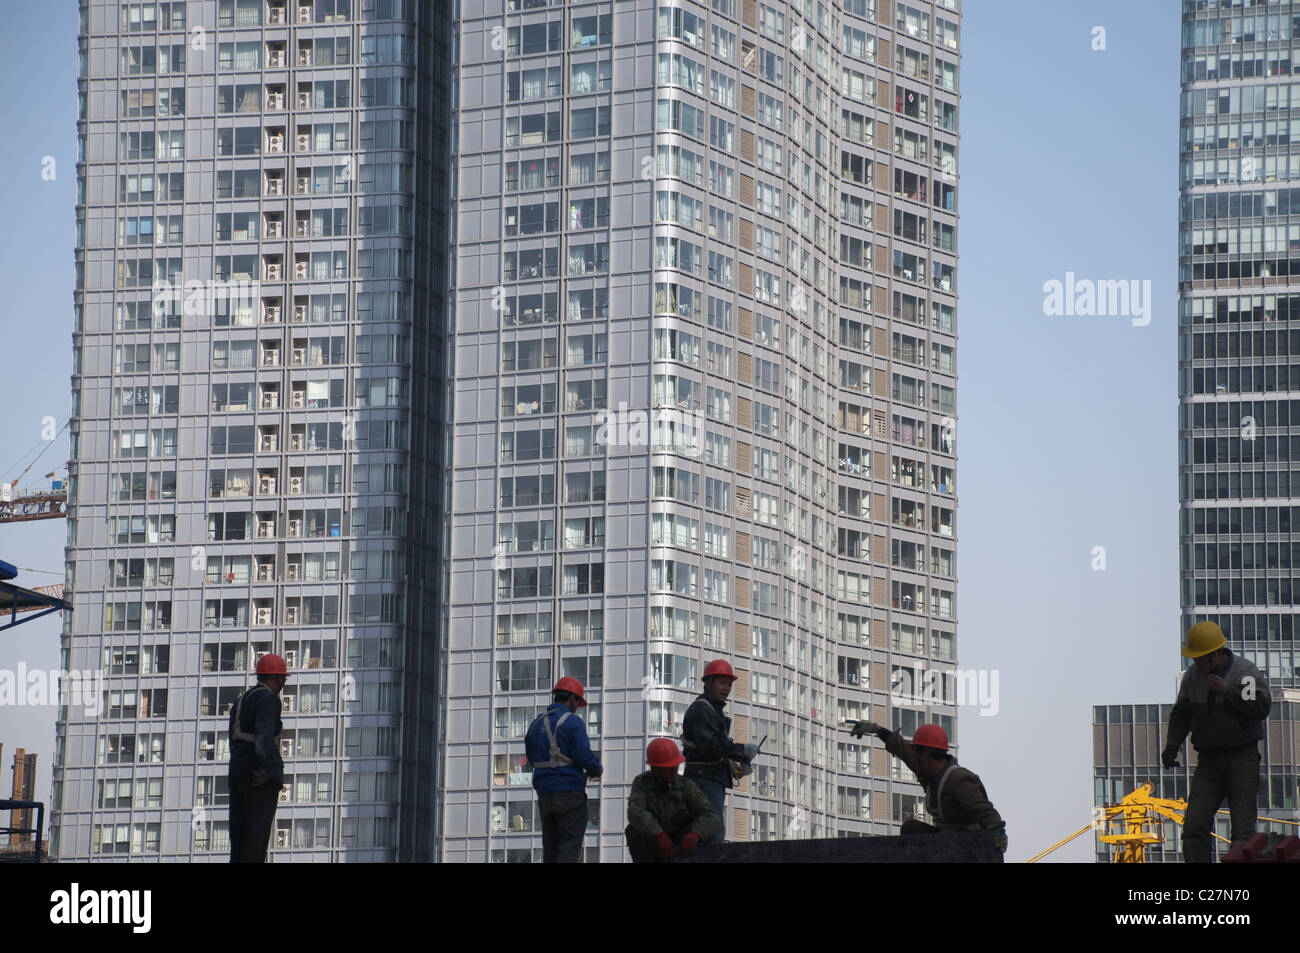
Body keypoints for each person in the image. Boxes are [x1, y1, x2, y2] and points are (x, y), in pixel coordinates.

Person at [1162, 621, 1271, 863]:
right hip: (1209, 760)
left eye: (1200, 658)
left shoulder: (1244, 672)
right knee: (1193, 827)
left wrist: (1229, 691)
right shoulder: (1192, 678)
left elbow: (1260, 708)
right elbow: (1181, 714)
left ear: (1216, 655)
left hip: (1242, 758)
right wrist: (1172, 746)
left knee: (1243, 833)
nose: (1196, 663)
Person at [850, 720, 1007, 852]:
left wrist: (998, 835)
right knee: (910, 829)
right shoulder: (926, 769)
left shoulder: (958, 780)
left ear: (927, 754)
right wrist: (877, 729)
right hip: (945, 840)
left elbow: (986, 813)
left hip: (968, 845)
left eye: (917, 753)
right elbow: (901, 747)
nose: (914, 759)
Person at [525, 676, 602, 862]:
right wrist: (595, 769)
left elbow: (530, 756)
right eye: (577, 702)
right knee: (569, 847)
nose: (577, 706)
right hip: (569, 794)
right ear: (572, 699)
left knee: (551, 850)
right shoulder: (573, 722)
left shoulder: (536, 724)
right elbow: (583, 755)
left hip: (545, 795)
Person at [682, 660, 757, 842]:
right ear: (708, 683)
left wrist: (734, 765)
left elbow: (714, 747)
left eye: (729, 684)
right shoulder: (701, 709)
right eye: (722, 683)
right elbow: (711, 746)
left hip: (709, 778)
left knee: (707, 832)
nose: (727, 688)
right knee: (712, 834)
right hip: (703, 779)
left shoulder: (713, 712)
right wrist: (741, 750)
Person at [228, 652, 289, 863]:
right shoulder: (269, 699)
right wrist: (269, 771)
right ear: (277, 678)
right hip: (257, 779)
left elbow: (235, 741)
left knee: (240, 844)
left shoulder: (242, 700)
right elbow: (263, 736)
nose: (282, 685)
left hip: (238, 775)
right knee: (255, 842)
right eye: (283, 679)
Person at [625, 738, 720, 863]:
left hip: (683, 843)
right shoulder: (642, 783)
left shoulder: (686, 785)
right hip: (656, 844)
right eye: (668, 767)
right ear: (655, 769)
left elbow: (711, 816)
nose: (674, 770)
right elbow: (635, 812)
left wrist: (696, 833)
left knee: (708, 833)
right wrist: (658, 834)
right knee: (632, 831)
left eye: (675, 766)